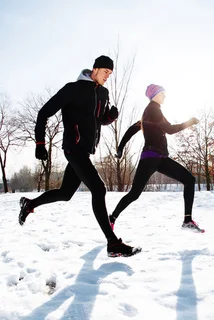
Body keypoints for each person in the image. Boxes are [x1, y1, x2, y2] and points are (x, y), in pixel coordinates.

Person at [18, 55, 140, 257]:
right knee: (99, 189)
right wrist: (40, 143)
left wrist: (111, 117)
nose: (107, 76)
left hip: (85, 151)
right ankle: (112, 243)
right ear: (95, 69)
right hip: (73, 148)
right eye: (105, 72)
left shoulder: (103, 93)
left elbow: (98, 120)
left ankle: (29, 204)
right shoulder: (72, 89)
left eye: (110, 73)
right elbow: (43, 113)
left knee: (66, 194)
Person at [109, 84, 204, 233]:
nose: (165, 96)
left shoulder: (150, 112)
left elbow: (133, 129)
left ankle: (187, 220)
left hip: (160, 158)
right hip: (151, 158)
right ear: (154, 95)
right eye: (162, 94)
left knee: (189, 180)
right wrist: (189, 122)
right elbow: (170, 130)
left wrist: (120, 147)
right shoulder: (153, 110)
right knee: (134, 193)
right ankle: (111, 219)